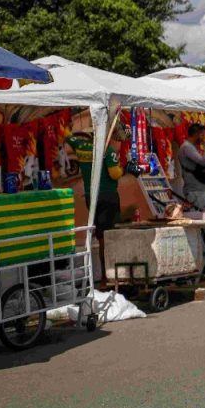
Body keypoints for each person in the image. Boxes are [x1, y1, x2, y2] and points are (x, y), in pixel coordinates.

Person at [65, 123, 127, 289]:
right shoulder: (107, 150)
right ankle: (108, 277)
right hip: (107, 197)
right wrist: (124, 168)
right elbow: (115, 173)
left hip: (91, 197)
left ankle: (105, 277)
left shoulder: (81, 146)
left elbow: (68, 137)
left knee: (100, 236)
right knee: (108, 237)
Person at [178, 123, 205, 210]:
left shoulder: (190, 147)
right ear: (197, 134)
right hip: (195, 192)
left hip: (198, 191)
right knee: (198, 216)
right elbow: (204, 162)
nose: (204, 138)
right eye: (202, 135)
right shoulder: (187, 147)